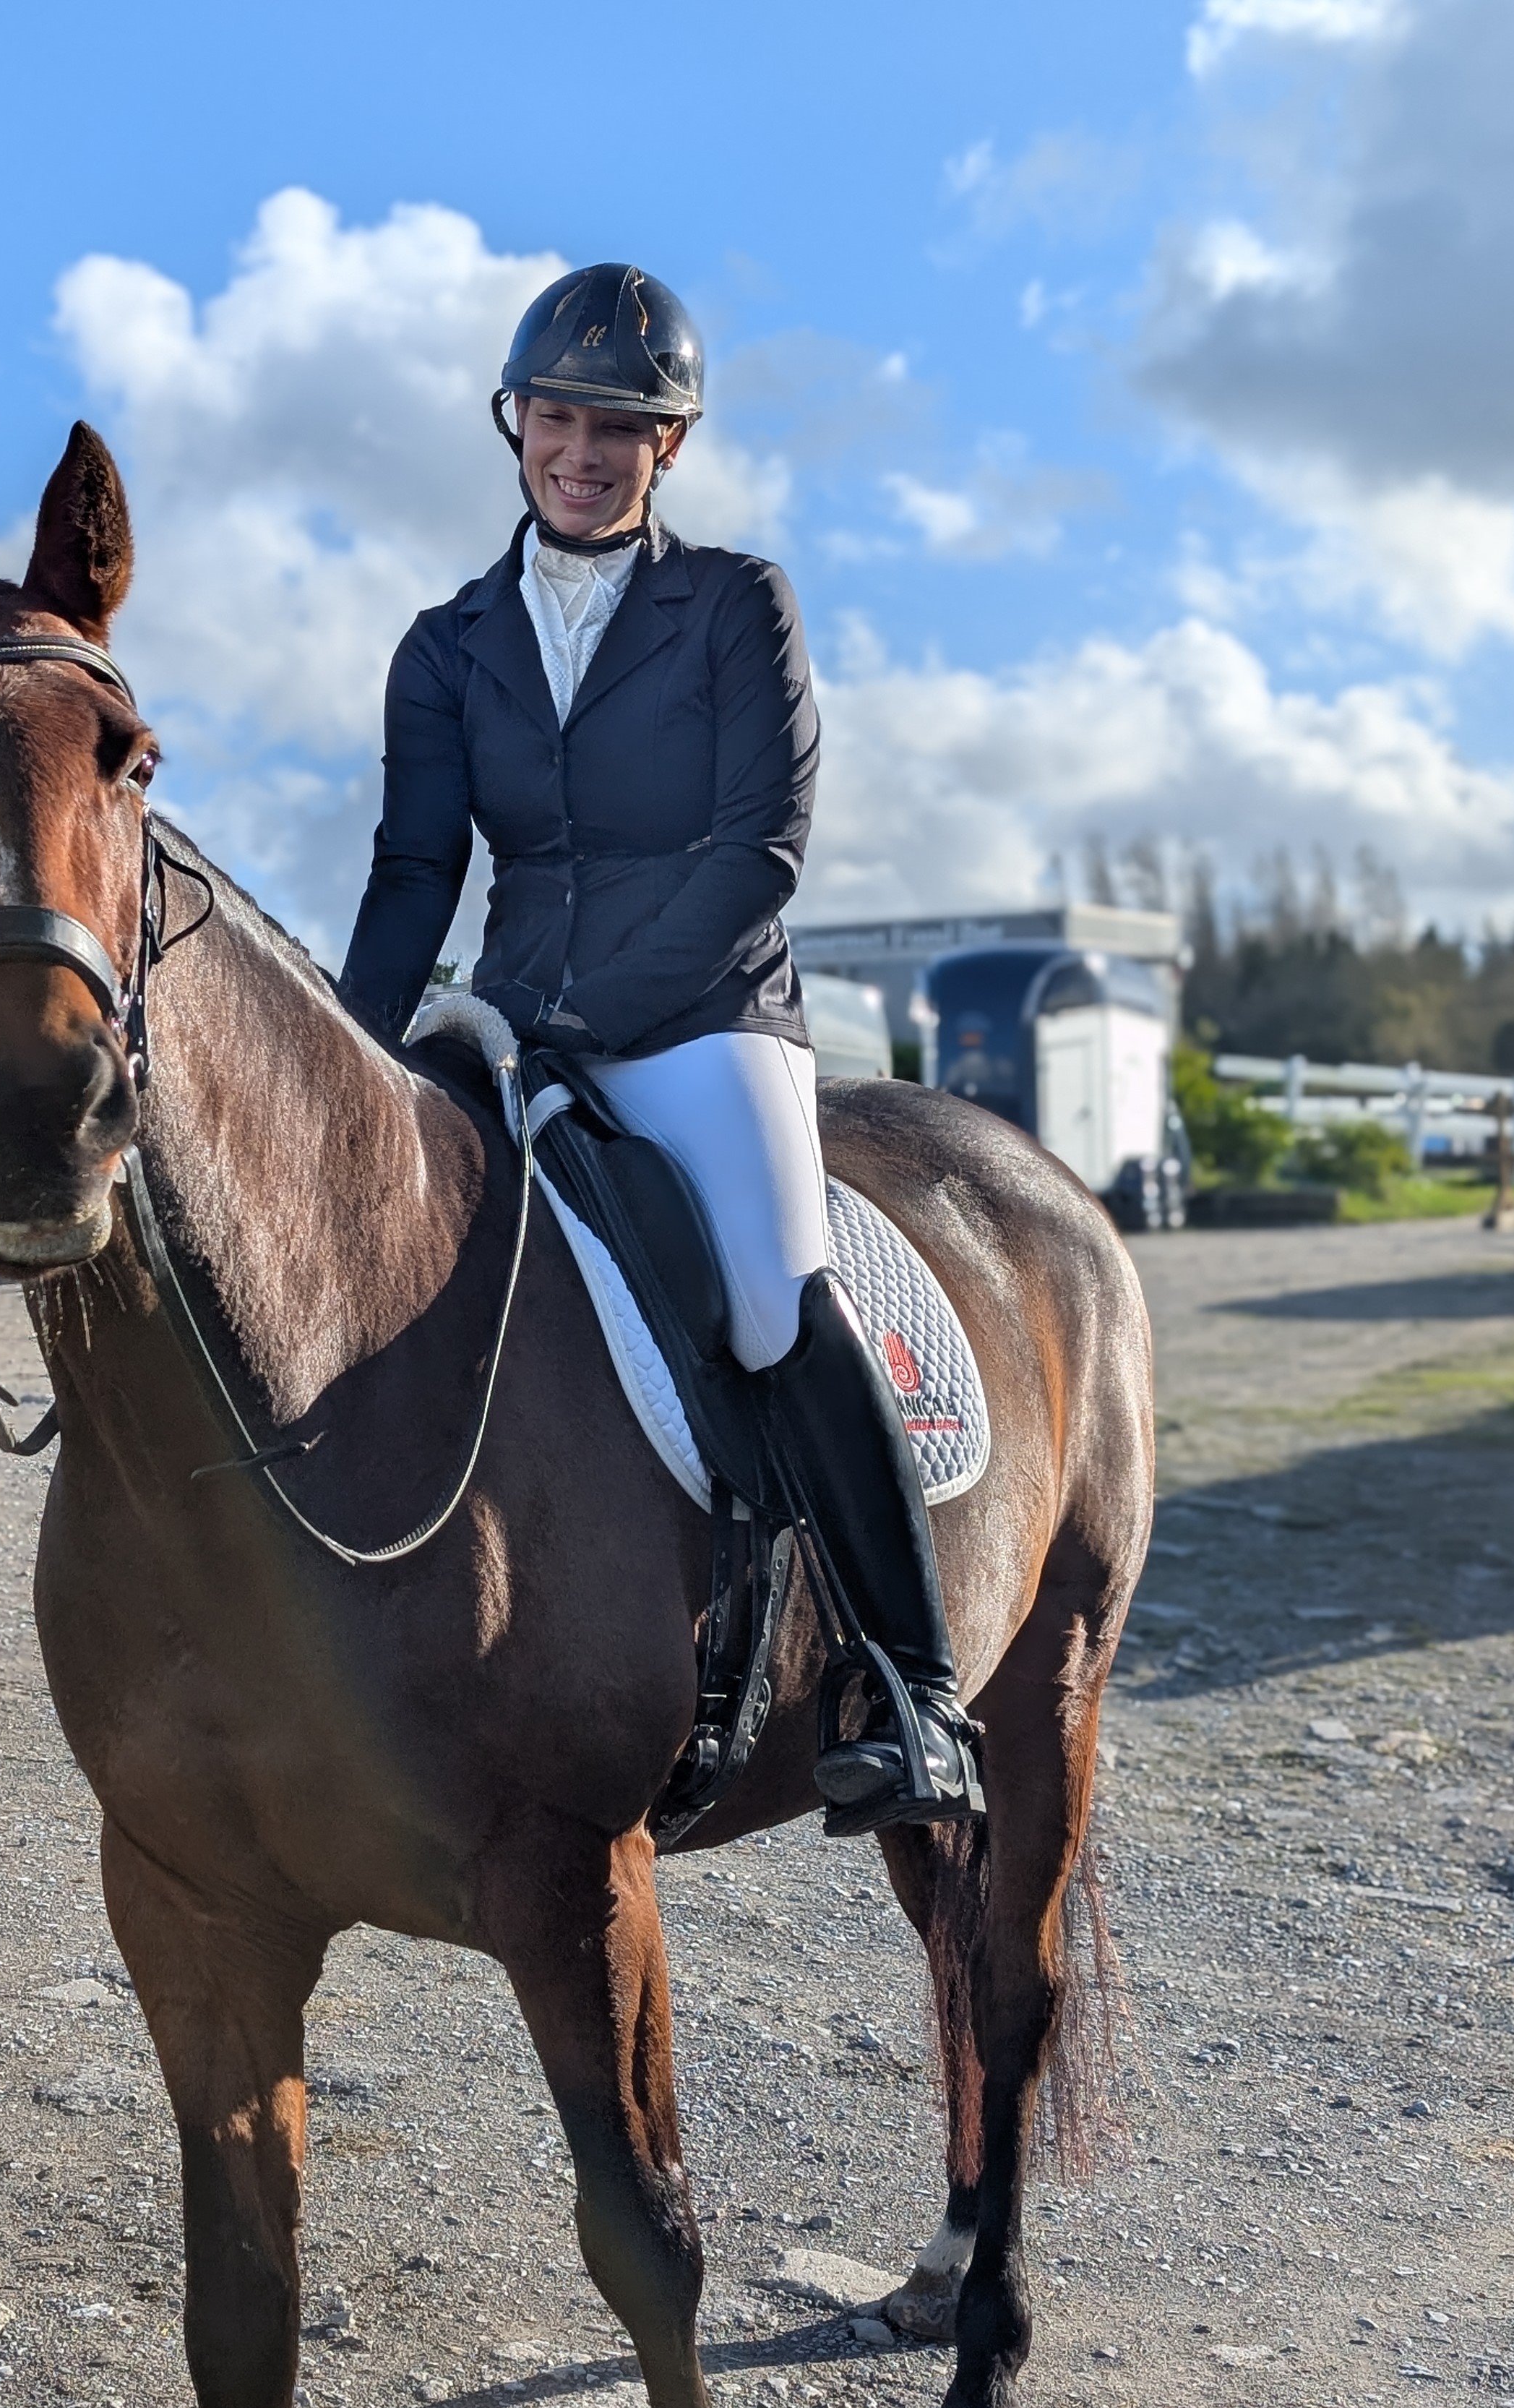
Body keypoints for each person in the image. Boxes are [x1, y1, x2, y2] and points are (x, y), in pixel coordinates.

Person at [337, 263, 979, 1833]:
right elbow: (419, 869)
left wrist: (597, 1016)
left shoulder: (736, 604)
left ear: (669, 442)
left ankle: (912, 1685)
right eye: (559, 415)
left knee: (769, 1291)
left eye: (620, 425)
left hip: (701, 1015)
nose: (584, 448)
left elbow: (758, 851)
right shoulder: (446, 645)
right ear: (517, 423)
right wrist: (353, 1057)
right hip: (508, 1016)